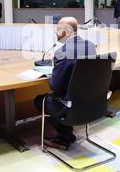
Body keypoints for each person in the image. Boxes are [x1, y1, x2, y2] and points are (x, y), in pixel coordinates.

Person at [34, 17, 97, 150]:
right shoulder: (90, 46)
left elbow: (54, 86)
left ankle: (64, 136)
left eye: (58, 29)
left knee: (40, 100)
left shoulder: (62, 53)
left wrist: (54, 73)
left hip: (72, 108)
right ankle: (66, 134)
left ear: (67, 31)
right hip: (93, 104)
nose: (56, 33)